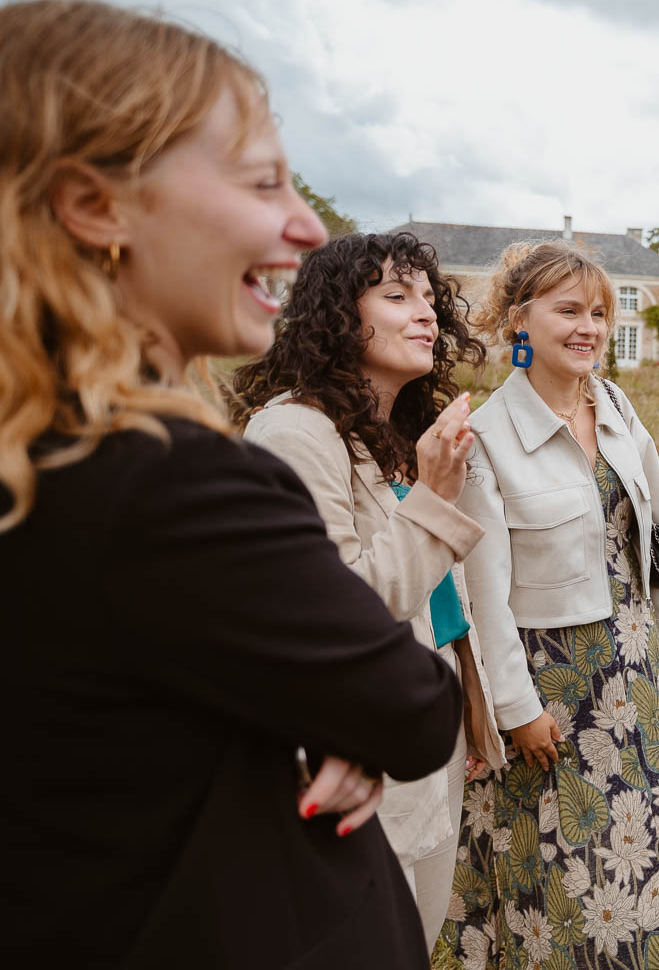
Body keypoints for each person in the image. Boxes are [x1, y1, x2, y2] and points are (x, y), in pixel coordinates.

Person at [0, 0, 463, 969]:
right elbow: (409, 701)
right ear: (96, 205)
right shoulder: (158, 476)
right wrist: (321, 710)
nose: (302, 226)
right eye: (262, 182)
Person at [459, 240, 659, 970]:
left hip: (635, 661)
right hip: (552, 679)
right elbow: (483, 596)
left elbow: (658, 524)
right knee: (572, 858)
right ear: (518, 320)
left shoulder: (616, 405)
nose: (589, 327)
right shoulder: (487, 438)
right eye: (569, 311)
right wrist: (515, 709)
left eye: (598, 313)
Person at [230, 230, 504, 953]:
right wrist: (438, 497)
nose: (426, 316)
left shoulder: (400, 430)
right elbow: (340, 615)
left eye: (429, 300)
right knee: (378, 939)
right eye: (395, 296)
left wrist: (464, 712)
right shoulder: (294, 430)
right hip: (355, 744)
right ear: (337, 317)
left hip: (426, 720)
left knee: (423, 929)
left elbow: (443, 599)